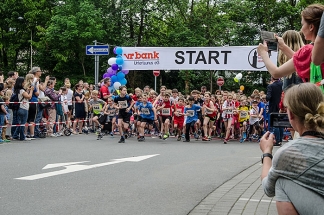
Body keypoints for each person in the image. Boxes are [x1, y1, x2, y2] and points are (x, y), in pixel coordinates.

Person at [260, 83, 324, 215]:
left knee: (281, 182)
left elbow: (268, 189)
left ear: (291, 114)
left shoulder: (288, 152)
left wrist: (267, 153)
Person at [257, 4, 324, 81]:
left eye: (302, 24)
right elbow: (301, 60)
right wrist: (283, 47)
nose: (301, 29)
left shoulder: (308, 50)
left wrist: (263, 53)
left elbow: (276, 73)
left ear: (311, 27)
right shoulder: (316, 51)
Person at [266, 77, 283, 146]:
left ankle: (277, 140)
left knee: (275, 124)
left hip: (273, 107)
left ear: (272, 79)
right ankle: (280, 139)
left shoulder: (270, 86)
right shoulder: (282, 84)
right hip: (281, 106)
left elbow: (268, 97)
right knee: (281, 124)